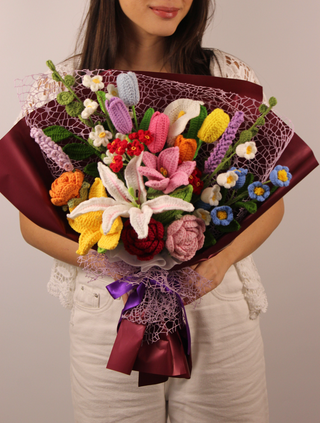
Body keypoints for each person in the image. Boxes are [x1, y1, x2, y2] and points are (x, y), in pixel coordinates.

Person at [19, 1, 284, 422]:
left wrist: (221, 263)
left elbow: (271, 201)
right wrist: (119, 269)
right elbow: (32, 224)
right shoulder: (62, 88)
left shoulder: (226, 74)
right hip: (111, 306)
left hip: (212, 301)